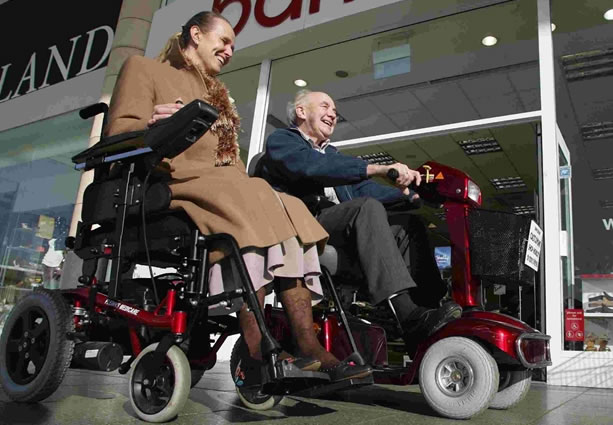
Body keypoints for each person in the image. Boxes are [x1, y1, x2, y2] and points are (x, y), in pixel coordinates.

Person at [104, 11, 370, 382]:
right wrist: (151, 122)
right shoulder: (143, 68)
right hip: (172, 179)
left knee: (286, 204)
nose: (229, 51)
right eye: (224, 41)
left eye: (232, 46)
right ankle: (258, 346)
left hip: (223, 182)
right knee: (252, 197)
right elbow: (118, 131)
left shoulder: (217, 95)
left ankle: (307, 344)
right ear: (195, 34)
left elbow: (231, 162)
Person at [257, 90, 462, 353]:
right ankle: (406, 314)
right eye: (325, 106)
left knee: (409, 224)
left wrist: (411, 194)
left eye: (334, 109)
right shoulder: (283, 141)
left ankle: (430, 309)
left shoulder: (332, 154)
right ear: (301, 111)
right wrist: (378, 168)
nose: (333, 113)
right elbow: (310, 167)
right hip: (302, 224)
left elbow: (367, 190)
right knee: (366, 209)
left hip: (337, 227)